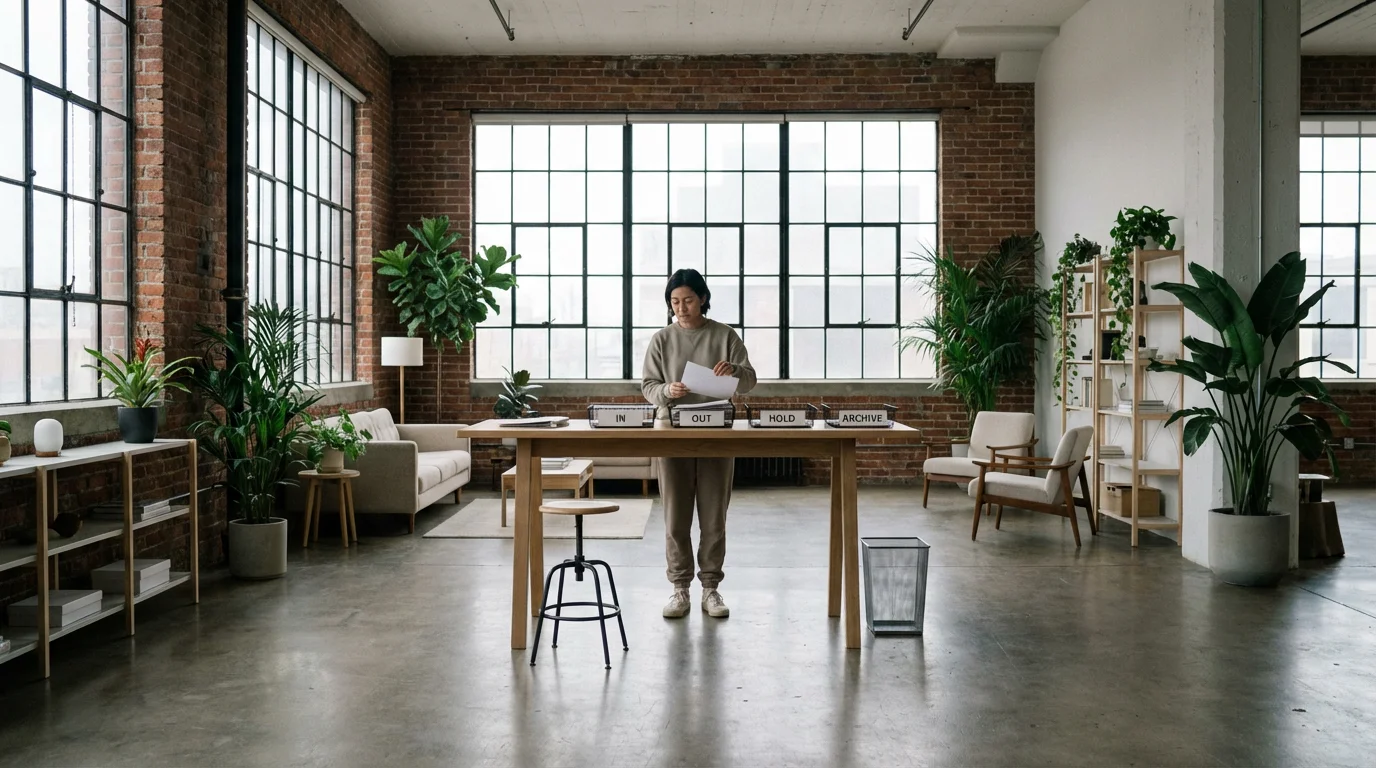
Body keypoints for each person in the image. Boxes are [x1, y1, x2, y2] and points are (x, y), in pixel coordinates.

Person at [642, 268, 757, 619]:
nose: (681, 307)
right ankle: (679, 589)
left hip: (716, 432)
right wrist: (667, 390)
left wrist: (735, 371)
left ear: (703, 298)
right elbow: (648, 386)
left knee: (713, 515)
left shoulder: (724, 335)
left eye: (688, 300)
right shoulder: (661, 339)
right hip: (673, 430)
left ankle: (711, 589)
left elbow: (750, 380)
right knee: (675, 516)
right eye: (675, 302)